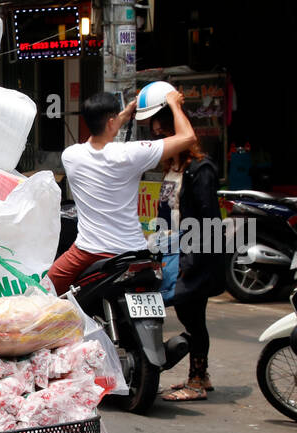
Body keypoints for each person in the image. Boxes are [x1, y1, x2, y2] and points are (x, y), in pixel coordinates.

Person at [48, 85, 197, 296]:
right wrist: (174, 104)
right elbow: (188, 137)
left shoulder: (71, 156)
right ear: (111, 122)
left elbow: (102, 137)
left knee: (47, 290)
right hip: (134, 251)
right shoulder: (133, 153)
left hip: (88, 252)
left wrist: (123, 115)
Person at [146, 100, 224, 401]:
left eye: (165, 133)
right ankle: (200, 376)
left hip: (195, 254)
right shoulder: (173, 168)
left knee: (191, 315)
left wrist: (192, 261)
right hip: (173, 251)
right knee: (190, 315)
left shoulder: (199, 169)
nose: (160, 140)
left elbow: (208, 219)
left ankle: (196, 381)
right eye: (157, 135)